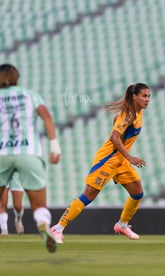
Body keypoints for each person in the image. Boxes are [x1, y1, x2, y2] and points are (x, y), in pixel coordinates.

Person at [50, 83, 151, 243]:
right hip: (108, 160)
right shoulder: (128, 114)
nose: (147, 99)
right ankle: (57, 228)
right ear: (134, 97)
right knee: (88, 196)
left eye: (148, 96)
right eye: (144, 96)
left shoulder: (137, 114)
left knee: (137, 192)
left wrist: (126, 158)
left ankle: (122, 225)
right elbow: (114, 137)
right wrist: (130, 157)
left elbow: (118, 126)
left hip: (121, 161)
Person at [0, 63, 61, 252]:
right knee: (39, 204)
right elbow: (47, 117)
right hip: (29, 153)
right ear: (16, 77)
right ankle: (42, 224)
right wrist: (54, 146)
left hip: (2, 153)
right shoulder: (30, 95)